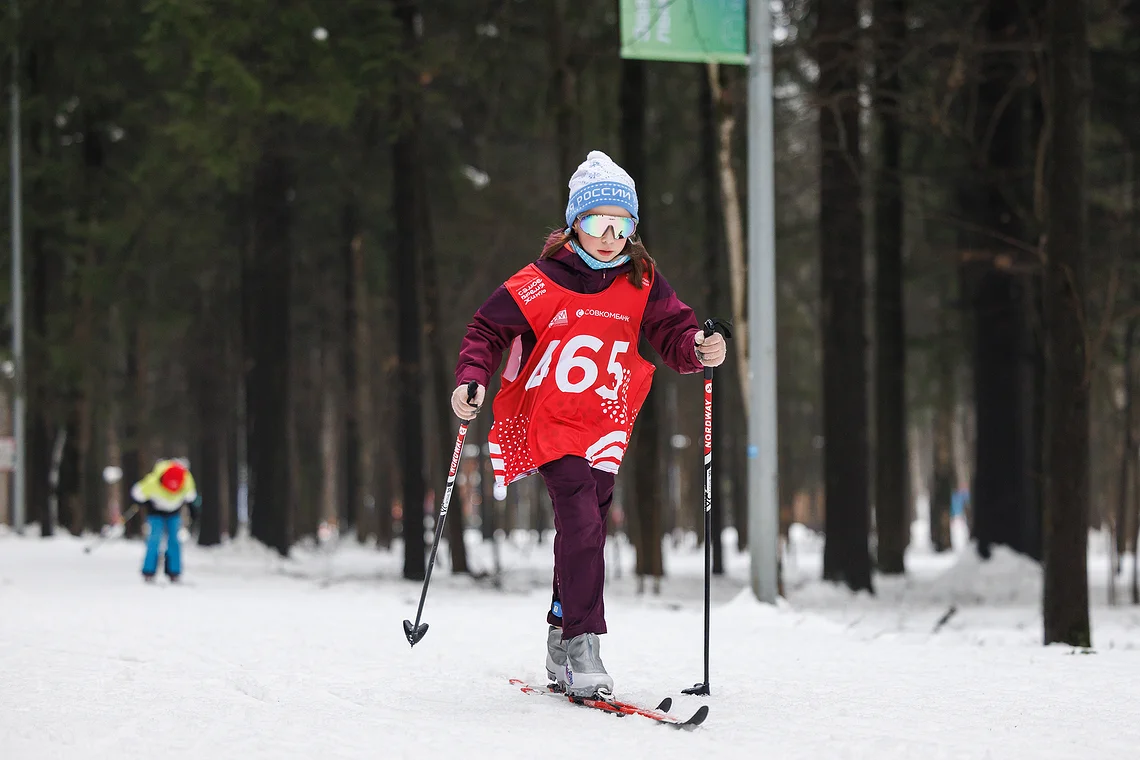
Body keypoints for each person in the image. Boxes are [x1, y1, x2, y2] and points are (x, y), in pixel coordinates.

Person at [452, 150, 727, 697]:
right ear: (576, 222)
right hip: (552, 417)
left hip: (606, 420)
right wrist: (471, 377)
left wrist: (700, 346)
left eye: (623, 225)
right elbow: (486, 327)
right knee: (581, 523)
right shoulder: (540, 280)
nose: (610, 236)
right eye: (599, 222)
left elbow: (674, 333)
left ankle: (559, 629)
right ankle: (583, 646)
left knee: (588, 530)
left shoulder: (641, 280)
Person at [130, 458, 199, 583]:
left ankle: (174, 571)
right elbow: (137, 493)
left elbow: (191, 497)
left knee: (174, 540)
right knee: (154, 539)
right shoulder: (152, 482)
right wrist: (141, 501)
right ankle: (148, 570)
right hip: (155, 513)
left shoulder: (186, 480)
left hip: (174, 513)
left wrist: (193, 510)